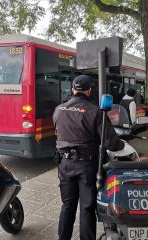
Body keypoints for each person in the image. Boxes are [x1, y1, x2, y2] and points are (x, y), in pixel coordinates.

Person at [53, 75, 125, 240]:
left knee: (67, 205)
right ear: (89, 90)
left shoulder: (59, 109)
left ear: (73, 89)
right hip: (87, 165)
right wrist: (121, 144)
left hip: (64, 164)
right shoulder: (96, 112)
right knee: (86, 207)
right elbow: (111, 143)